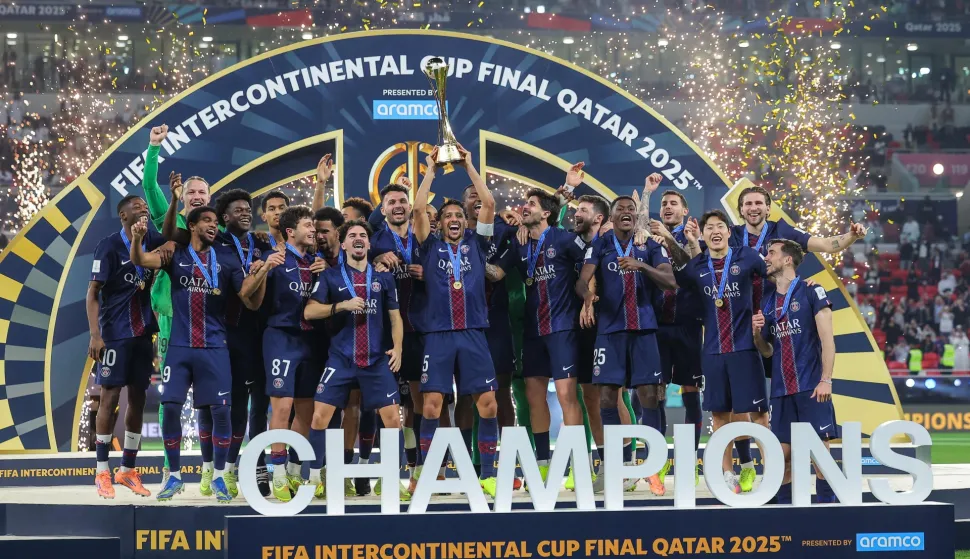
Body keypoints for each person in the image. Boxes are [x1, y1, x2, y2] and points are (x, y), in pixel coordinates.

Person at [728, 185, 865, 492]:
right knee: (749, 410)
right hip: (748, 325)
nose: (753, 207)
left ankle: (828, 504)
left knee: (817, 449)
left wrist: (851, 236)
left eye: (759, 202)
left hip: (791, 336)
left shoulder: (784, 234)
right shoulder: (733, 236)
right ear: (741, 209)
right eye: (747, 203)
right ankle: (754, 474)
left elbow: (826, 244)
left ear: (768, 207)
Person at [130, 206, 250, 502]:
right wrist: (138, 239)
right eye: (206, 221)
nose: (213, 226)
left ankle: (219, 477)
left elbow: (247, 294)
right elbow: (141, 259)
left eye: (215, 222)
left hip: (215, 347)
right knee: (170, 408)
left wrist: (262, 270)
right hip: (180, 348)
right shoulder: (176, 254)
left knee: (221, 411)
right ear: (192, 226)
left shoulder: (226, 258)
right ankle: (174, 476)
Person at [411, 146, 502, 497]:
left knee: (488, 404)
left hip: (474, 333)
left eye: (458, 215)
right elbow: (418, 208)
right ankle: (428, 473)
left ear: (465, 221)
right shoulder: (429, 246)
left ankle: (489, 474)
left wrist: (468, 165)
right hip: (438, 335)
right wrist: (432, 169)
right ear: (439, 223)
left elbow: (488, 203)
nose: (453, 218)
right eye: (447, 215)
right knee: (431, 406)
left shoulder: (478, 243)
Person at [576, 194, 677, 496]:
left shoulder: (650, 246)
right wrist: (588, 296)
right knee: (607, 398)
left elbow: (670, 281)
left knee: (649, 396)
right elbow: (582, 280)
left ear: (636, 216)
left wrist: (641, 266)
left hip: (644, 329)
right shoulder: (601, 245)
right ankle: (616, 467)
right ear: (611, 217)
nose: (626, 212)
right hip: (610, 330)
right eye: (620, 209)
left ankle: (653, 467)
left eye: (630, 209)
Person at [304, 220, 411, 500]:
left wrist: (398, 348)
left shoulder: (383, 277)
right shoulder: (330, 276)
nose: (358, 238)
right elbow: (309, 312)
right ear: (343, 244)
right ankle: (315, 478)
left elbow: (395, 317)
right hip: (341, 359)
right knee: (319, 416)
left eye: (363, 235)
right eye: (352, 235)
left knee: (392, 420)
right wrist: (342, 305)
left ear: (369, 243)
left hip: (376, 359)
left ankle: (390, 480)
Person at [666, 209, 768, 494]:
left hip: (745, 349)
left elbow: (773, 276)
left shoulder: (748, 257)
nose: (715, 231)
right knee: (720, 414)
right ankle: (728, 473)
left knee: (757, 414)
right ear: (703, 234)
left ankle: (768, 471)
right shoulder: (696, 266)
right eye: (709, 227)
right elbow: (674, 282)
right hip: (712, 351)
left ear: (728, 231)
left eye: (720, 226)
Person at [492, 187, 586, 484]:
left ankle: (578, 466)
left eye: (531, 204)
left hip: (563, 329)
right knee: (534, 397)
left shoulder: (564, 239)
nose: (524, 207)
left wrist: (588, 299)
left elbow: (590, 265)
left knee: (567, 396)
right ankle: (544, 464)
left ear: (546, 213)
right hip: (533, 331)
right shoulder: (519, 244)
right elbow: (496, 273)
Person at [87, 195, 173, 498]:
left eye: (145, 207)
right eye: (137, 207)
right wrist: (95, 335)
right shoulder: (108, 246)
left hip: (143, 333)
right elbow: (93, 292)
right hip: (114, 334)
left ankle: (127, 469)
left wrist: (174, 203)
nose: (144, 210)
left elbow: (174, 235)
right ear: (123, 215)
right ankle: (101, 472)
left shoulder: (151, 239)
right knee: (109, 398)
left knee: (138, 398)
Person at [142, 125, 212, 486]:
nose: (197, 196)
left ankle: (210, 471)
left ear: (210, 197)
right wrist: (154, 148)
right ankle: (172, 472)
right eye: (192, 192)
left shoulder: (216, 231)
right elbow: (149, 186)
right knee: (171, 399)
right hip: (173, 320)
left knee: (209, 400)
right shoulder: (169, 221)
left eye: (202, 192)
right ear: (183, 196)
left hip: (209, 323)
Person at [238, 206, 321, 502]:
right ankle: (278, 474)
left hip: (310, 341)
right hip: (280, 339)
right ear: (290, 232)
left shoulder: (316, 261)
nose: (313, 230)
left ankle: (295, 470)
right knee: (282, 408)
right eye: (308, 225)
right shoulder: (272, 259)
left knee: (306, 410)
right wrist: (263, 270)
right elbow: (247, 296)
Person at [752, 239, 839, 504]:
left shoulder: (812, 291)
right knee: (783, 456)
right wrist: (757, 334)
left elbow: (827, 340)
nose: (766, 258)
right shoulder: (767, 301)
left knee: (820, 452)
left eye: (771, 253)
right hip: (781, 390)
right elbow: (767, 351)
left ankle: (828, 508)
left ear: (787, 259)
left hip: (811, 386)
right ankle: (784, 513)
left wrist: (826, 380)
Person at [212, 188, 273, 498]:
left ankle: (259, 468)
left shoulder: (261, 244)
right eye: (238, 210)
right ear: (225, 217)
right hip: (229, 333)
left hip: (262, 334)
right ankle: (227, 469)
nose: (246, 214)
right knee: (235, 407)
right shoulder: (216, 244)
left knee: (260, 406)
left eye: (248, 210)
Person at [369, 181, 427, 493]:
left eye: (402, 201)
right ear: (383, 210)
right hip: (384, 334)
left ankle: (417, 471)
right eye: (391, 202)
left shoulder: (424, 238)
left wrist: (428, 274)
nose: (398, 206)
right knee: (387, 406)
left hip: (419, 331)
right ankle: (387, 474)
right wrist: (375, 260)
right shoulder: (374, 241)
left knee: (418, 403)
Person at [648, 188, 705, 486]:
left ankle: (688, 462)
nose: (668, 207)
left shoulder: (695, 240)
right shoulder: (648, 239)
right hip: (656, 326)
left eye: (673, 203)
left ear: (685, 210)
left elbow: (696, 273)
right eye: (664, 204)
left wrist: (669, 239)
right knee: (653, 393)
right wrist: (647, 193)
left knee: (690, 394)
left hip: (687, 325)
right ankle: (656, 463)